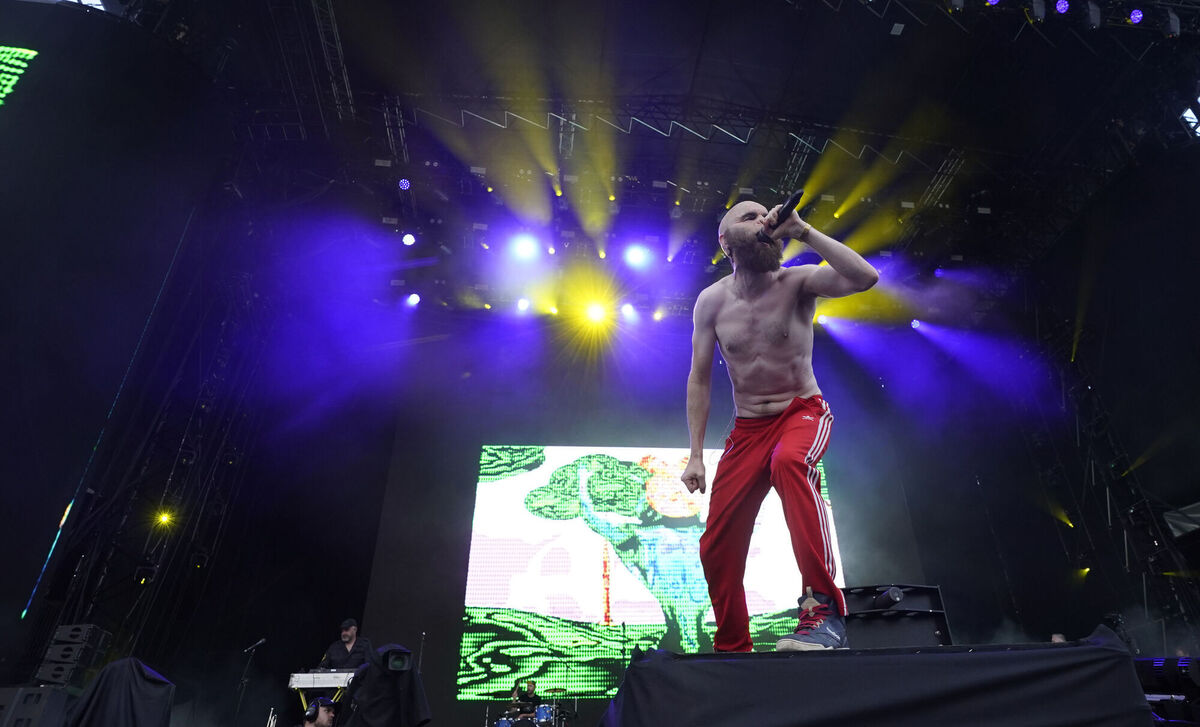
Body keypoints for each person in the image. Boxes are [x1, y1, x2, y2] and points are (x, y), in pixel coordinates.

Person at [680, 198, 879, 653]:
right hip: (748, 429)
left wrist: (804, 231)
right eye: (749, 216)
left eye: (766, 214)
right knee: (716, 544)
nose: (764, 219)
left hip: (801, 412)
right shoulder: (711, 301)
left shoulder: (798, 280)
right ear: (725, 241)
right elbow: (699, 378)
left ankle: (823, 615)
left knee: (789, 463)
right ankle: (733, 647)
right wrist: (695, 455)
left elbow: (865, 277)